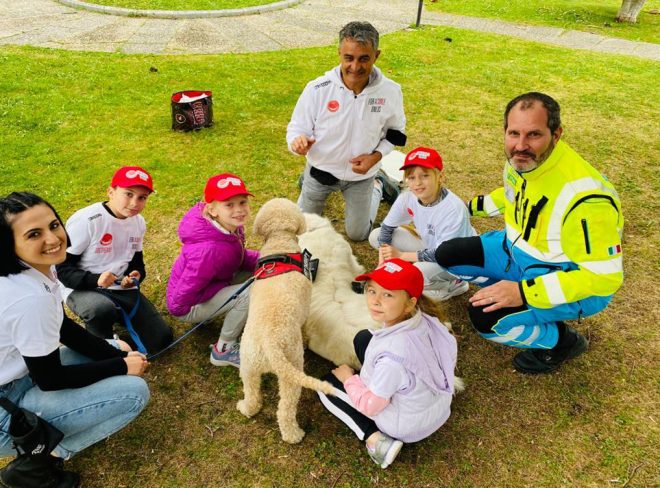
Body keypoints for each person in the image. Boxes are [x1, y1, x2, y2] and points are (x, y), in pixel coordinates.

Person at [433, 92, 624, 374]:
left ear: (556, 134)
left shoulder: (586, 200)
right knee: (447, 254)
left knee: (486, 320)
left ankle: (562, 342)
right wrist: (471, 206)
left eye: (534, 134)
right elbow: (513, 193)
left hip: (561, 277)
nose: (520, 145)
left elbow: (604, 278)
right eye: (514, 133)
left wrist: (523, 292)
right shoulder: (521, 160)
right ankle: (504, 295)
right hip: (514, 252)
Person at [0, 192, 150, 488]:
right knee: (134, 392)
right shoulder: (27, 299)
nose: (54, 238)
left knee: (113, 348)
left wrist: (113, 354)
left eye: (53, 225)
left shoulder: (35, 270)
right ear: (9, 244)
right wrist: (121, 368)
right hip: (7, 406)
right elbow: (50, 377)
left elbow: (63, 328)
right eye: (34, 234)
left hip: (19, 375)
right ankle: (38, 461)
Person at [317, 259, 457, 469]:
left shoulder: (393, 357)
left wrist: (348, 379)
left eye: (388, 294)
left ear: (410, 302)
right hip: (438, 405)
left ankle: (377, 441)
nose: (375, 300)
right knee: (364, 338)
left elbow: (371, 406)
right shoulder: (428, 321)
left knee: (326, 385)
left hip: (407, 426)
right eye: (372, 290)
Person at [286, 21, 406, 241]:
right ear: (339, 53)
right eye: (348, 58)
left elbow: (396, 132)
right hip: (320, 171)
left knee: (358, 234)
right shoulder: (317, 88)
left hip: (361, 176)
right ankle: (308, 183)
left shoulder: (390, 91)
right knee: (303, 232)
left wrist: (376, 157)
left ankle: (378, 186)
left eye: (364, 58)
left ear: (376, 55)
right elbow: (296, 128)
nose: (355, 67)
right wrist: (297, 143)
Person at [56, 166, 173, 355]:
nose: (135, 203)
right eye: (128, 194)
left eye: (142, 197)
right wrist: (95, 280)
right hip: (83, 287)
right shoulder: (87, 220)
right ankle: (101, 340)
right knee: (100, 310)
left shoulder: (138, 222)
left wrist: (136, 275)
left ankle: (118, 323)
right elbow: (61, 269)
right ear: (111, 192)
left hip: (119, 287)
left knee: (161, 340)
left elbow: (137, 262)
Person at [166, 173, 259, 368]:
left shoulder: (227, 225)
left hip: (211, 284)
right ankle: (223, 350)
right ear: (212, 209)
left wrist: (266, 259)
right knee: (249, 293)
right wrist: (221, 293)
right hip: (186, 306)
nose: (239, 210)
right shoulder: (209, 251)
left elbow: (237, 257)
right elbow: (182, 298)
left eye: (242, 202)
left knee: (260, 272)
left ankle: (219, 309)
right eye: (229, 205)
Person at [369, 146, 476, 301]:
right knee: (376, 236)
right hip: (432, 245)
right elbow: (387, 228)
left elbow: (443, 253)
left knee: (415, 274)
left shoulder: (454, 209)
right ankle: (426, 272)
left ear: (440, 177)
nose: (417, 183)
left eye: (424, 176)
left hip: (457, 260)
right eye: (411, 177)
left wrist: (402, 256)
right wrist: (382, 262)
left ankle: (454, 284)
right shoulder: (408, 196)